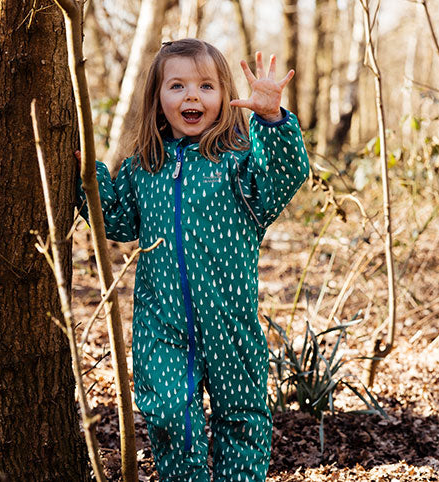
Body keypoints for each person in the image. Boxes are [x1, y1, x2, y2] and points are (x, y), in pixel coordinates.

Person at [77, 38, 309, 481]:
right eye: (177, 86)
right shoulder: (144, 165)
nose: (191, 96)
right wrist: (86, 179)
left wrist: (272, 120)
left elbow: (286, 173)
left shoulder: (241, 163)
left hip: (230, 321)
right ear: (158, 98)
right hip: (162, 323)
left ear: (224, 96)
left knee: (241, 417)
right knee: (167, 413)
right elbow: (119, 223)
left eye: (206, 87)